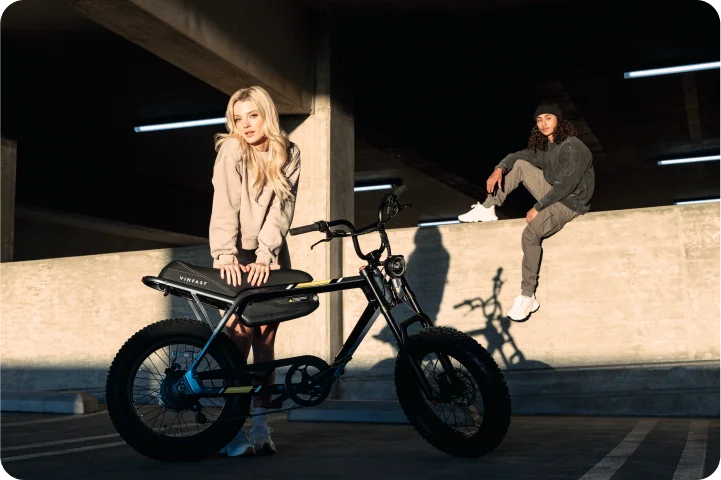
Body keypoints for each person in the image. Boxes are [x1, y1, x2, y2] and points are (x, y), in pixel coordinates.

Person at [209, 85, 301, 457]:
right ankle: (232, 431)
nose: (245, 125)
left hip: (271, 255)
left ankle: (261, 429)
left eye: (252, 115)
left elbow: (283, 208)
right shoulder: (232, 149)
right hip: (235, 253)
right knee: (238, 340)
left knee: (265, 343)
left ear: (266, 115)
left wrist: (267, 254)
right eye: (237, 117)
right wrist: (224, 252)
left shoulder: (290, 152)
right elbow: (225, 202)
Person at [458, 103, 594, 321]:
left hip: (571, 203)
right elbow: (517, 155)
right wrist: (499, 168)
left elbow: (566, 186)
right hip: (556, 195)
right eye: (539, 120)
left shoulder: (572, 147)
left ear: (559, 121)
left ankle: (528, 296)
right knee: (520, 164)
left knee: (530, 234)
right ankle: (488, 207)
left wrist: (539, 207)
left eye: (548, 118)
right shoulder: (548, 149)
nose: (543, 124)